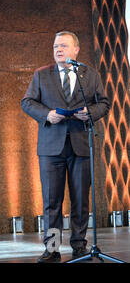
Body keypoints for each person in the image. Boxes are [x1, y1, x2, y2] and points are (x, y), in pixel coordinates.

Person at [21, 31, 110, 263]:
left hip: (81, 144)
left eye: (63, 46)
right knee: (52, 200)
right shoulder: (42, 75)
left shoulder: (89, 75)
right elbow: (27, 102)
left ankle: (80, 246)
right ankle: (51, 249)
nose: (58, 50)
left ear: (76, 50)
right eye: (55, 46)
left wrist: (88, 114)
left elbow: (103, 103)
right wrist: (47, 115)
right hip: (51, 148)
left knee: (81, 199)